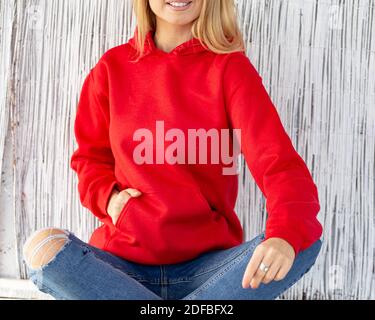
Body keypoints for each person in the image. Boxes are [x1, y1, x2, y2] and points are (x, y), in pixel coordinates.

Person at [22, 0, 323, 300]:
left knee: (302, 240)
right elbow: (90, 158)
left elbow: (278, 163)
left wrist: (285, 235)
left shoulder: (230, 69)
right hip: (123, 268)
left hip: (209, 272)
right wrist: (110, 199)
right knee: (43, 249)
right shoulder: (111, 68)